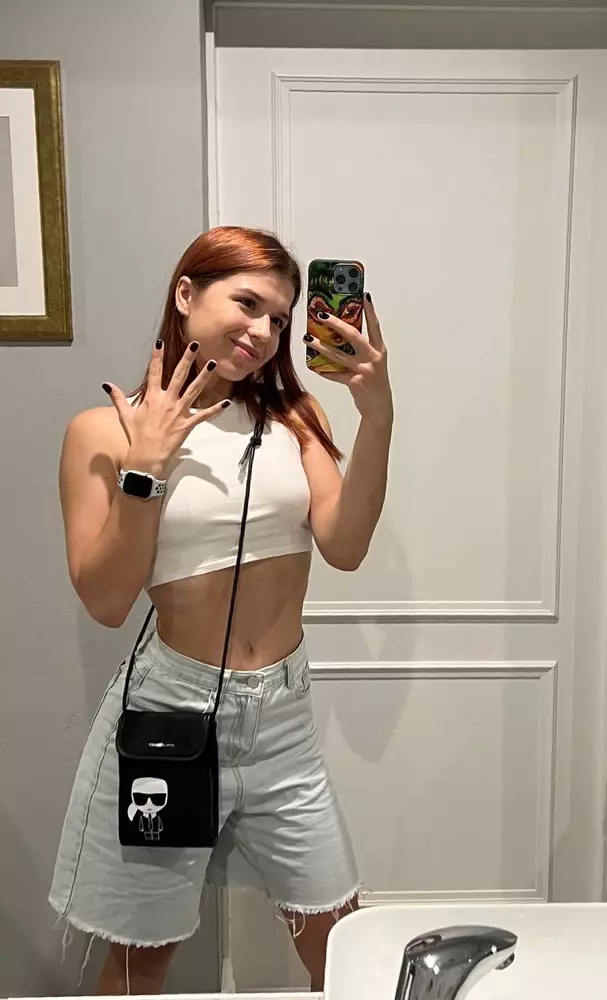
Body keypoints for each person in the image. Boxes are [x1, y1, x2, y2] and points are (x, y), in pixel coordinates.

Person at [49, 226, 393, 994]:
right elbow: (105, 601)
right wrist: (147, 467)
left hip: (282, 725)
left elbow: (345, 546)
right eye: (248, 303)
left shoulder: (297, 419)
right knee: (142, 959)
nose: (265, 331)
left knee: (343, 947)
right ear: (186, 294)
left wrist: (378, 418)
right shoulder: (102, 431)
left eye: (280, 318)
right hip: (169, 716)